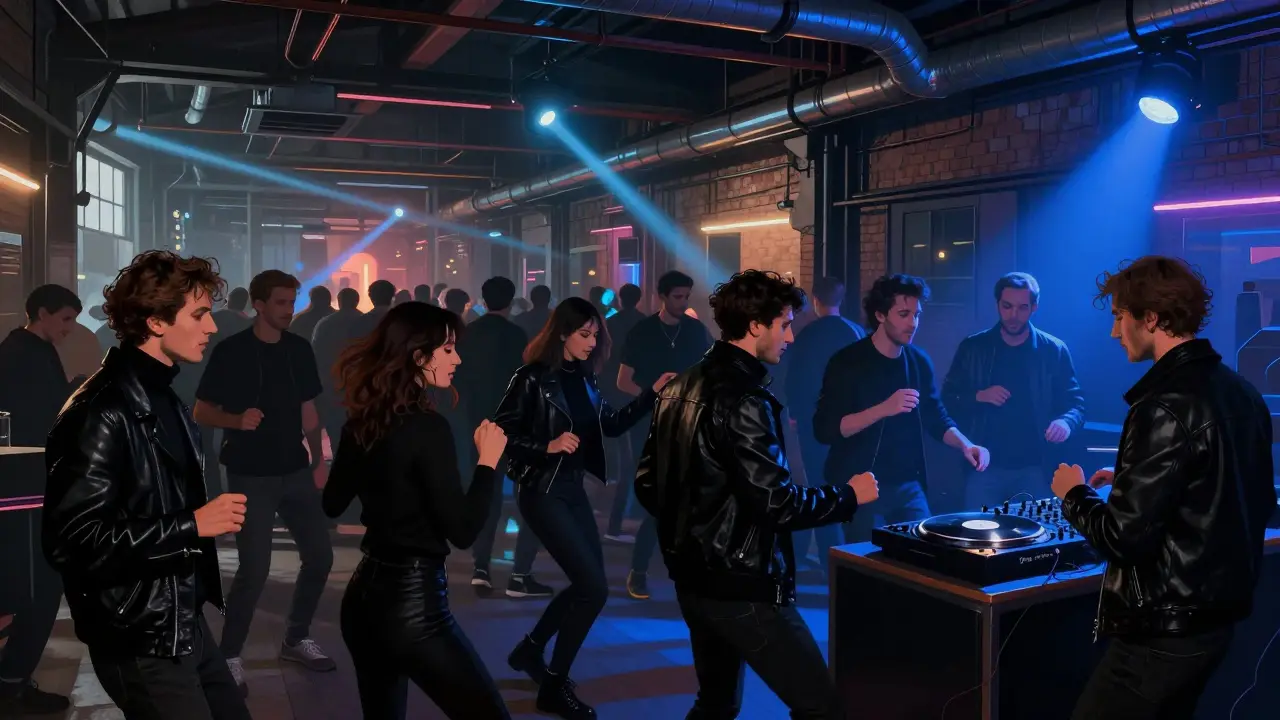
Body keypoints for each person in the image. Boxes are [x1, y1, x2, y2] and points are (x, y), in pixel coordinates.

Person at [636, 270, 877, 719]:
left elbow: (647, 483)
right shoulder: (746, 397)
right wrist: (848, 496)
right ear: (755, 327)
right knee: (822, 708)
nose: (790, 336)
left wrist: (698, 526)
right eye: (784, 324)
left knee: (715, 703)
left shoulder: (680, 386)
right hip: (742, 584)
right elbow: (776, 502)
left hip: (693, 577)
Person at [1054, 257, 1276, 720]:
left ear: (1150, 318)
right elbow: (1247, 495)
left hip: (1160, 633)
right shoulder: (1243, 392)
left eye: (1119, 317)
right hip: (1216, 624)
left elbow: (1123, 539)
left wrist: (1073, 493)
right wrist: (1140, 481)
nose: (1116, 333)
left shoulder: (1161, 404)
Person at [41, 250, 251, 719]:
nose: (211, 327)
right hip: (139, 634)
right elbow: (72, 542)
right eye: (198, 315)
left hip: (181, 621)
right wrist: (191, 524)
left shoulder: (164, 398)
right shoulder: (101, 409)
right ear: (156, 322)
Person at [323, 302, 511, 720]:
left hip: (363, 601)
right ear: (417, 355)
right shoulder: (428, 428)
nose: (457, 358)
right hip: (414, 606)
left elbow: (332, 503)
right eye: (447, 350)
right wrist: (488, 463)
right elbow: (462, 531)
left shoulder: (363, 421)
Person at [494, 297, 675, 720]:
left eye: (596, 336)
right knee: (592, 588)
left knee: (587, 586)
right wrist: (547, 445)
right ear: (562, 333)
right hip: (541, 491)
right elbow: (499, 433)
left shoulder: (587, 378)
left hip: (573, 490)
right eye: (585, 334)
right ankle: (553, 685)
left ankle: (531, 651)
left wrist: (652, 394)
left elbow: (610, 425)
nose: (593, 343)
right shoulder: (532, 377)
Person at [194, 270, 336, 693]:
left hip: (294, 467)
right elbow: (202, 411)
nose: (288, 311)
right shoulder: (231, 351)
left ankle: (296, 637)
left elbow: (308, 407)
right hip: (249, 472)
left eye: (292, 303)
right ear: (258, 304)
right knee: (254, 568)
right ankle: (231, 655)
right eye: (280, 303)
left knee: (320, 556)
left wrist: (319, 458)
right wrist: (236, 420)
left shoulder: (298, 349)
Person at [814, 274, 989, 543]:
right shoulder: (848, 362)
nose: (913, 323)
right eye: (904, 314)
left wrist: (966, 444)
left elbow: (936, 417)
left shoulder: (918, 361)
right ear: (880, 315)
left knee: (924, 553)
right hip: (861, 484)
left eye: (916, 315)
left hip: (908, 483)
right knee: (865, 564)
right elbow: (825, 429)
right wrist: (883, 408)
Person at [0, 285, 82, 715]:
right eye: (65, 319)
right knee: (39, 589)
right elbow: (41, 417)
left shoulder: (25, 349)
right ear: (43, 313)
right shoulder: (23, 354)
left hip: (29, 489)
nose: (70, 329)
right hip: (25, 493)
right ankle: (12, 681)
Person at [944, 272, 1085, 508]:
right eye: (1007, 306)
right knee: (978, 538)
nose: (1013, 315)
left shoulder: (1053, 350)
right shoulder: (973, 348)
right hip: (984, 465)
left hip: (1036, 467)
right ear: (997, 304)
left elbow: (1076, 405)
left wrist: (1065, 423)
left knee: (1036, 539)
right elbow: (947, 400)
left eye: (1022, 308)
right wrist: (979, 396)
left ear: (1034, 308)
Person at [616, 270, 713, 599]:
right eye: (677, 297)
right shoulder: (642, 332)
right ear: (662, 296)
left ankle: (685, 570)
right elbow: (623, 381)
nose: (682, 303)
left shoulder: (696, 331)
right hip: (652, 424)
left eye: (686, 296)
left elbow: (709, 374)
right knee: (657, 500)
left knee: (690, 498)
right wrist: (653, 392)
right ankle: (639, 569)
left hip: (689, 422)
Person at [455, 276, 547, 598]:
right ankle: (520, 574)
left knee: (486, 493)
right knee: (529, 495)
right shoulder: (516, 335)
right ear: (511, 301)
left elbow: (459, 381)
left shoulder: (469, 335)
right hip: (515, 424)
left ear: (482, 298)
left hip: (478, 423)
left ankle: (481, 568)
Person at [784, 277, 866, 574]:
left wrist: (795, 413)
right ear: (841, 299)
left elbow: (796, 379)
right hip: (854, 426)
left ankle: (826, 556)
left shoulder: (806, 336)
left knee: (819, 486)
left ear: (816, 299)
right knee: (851, 487)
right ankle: (850, 556)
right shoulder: (856, 333)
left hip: (814, 425)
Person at [602, 283, 646, 542]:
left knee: (621, 452)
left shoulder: (611, 324)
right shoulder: (644, 324)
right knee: (637, 455)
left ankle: (617, 518)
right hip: (636, 393)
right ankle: (626, 515)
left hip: (613, 393)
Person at [312, 287, 364, 454]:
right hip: (360, 386)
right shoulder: (365, 321)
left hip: (332, 385)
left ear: (339, 301)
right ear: (357, 301)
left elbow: (316, 354)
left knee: (335, 429)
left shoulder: (325, 323)